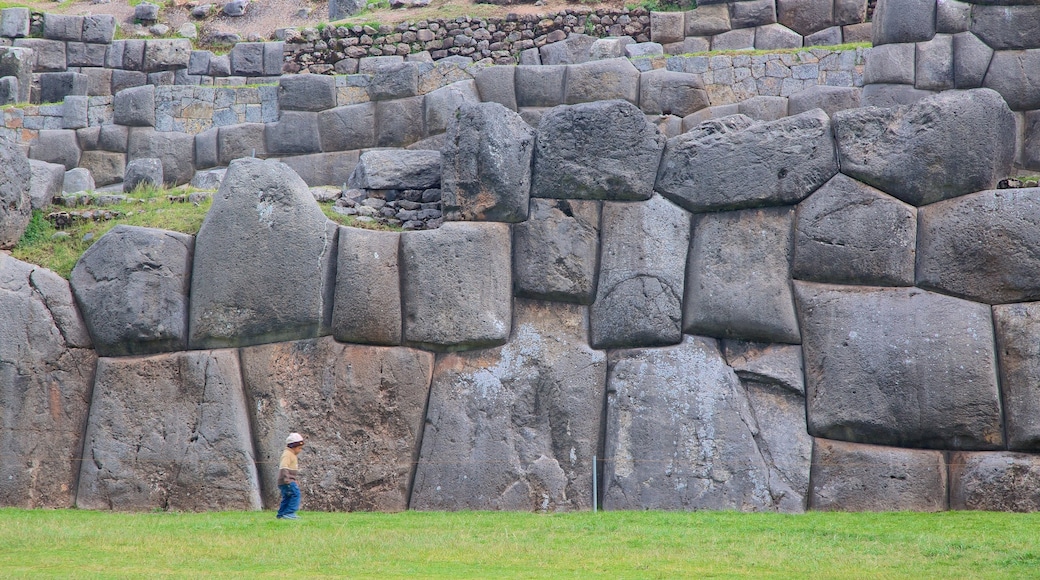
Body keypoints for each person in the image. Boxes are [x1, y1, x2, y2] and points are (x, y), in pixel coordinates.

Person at [276, 432, 305, 520]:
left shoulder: (291, 454)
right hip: (287, 480)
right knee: (295, 494)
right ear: (294, 446)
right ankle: (289, 512)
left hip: (286, 480)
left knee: (287, 497)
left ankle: (282, 514)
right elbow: (284, 467)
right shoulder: (287, 454)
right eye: (299, 448)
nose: (300, 450)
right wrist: (287, 479)